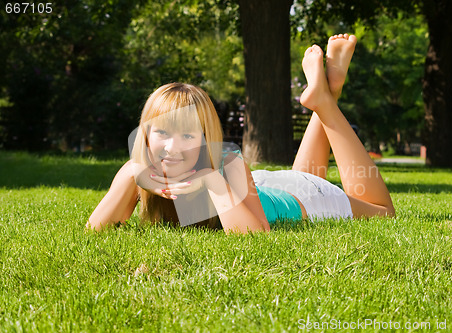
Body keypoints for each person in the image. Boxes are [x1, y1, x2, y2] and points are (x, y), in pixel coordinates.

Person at [86, 34, 395, 234]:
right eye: (163, 132)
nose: (172, 147)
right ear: (145, 133)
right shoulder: (139, 167)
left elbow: (256, 234)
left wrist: (210, 179)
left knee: (383, 213)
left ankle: (327, 101)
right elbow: (95, 231)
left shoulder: (225, 163)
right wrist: (132, 175)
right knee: (301, 174)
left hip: (304, 201)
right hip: (261, 187)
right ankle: (328, 91)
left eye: (188, 137)